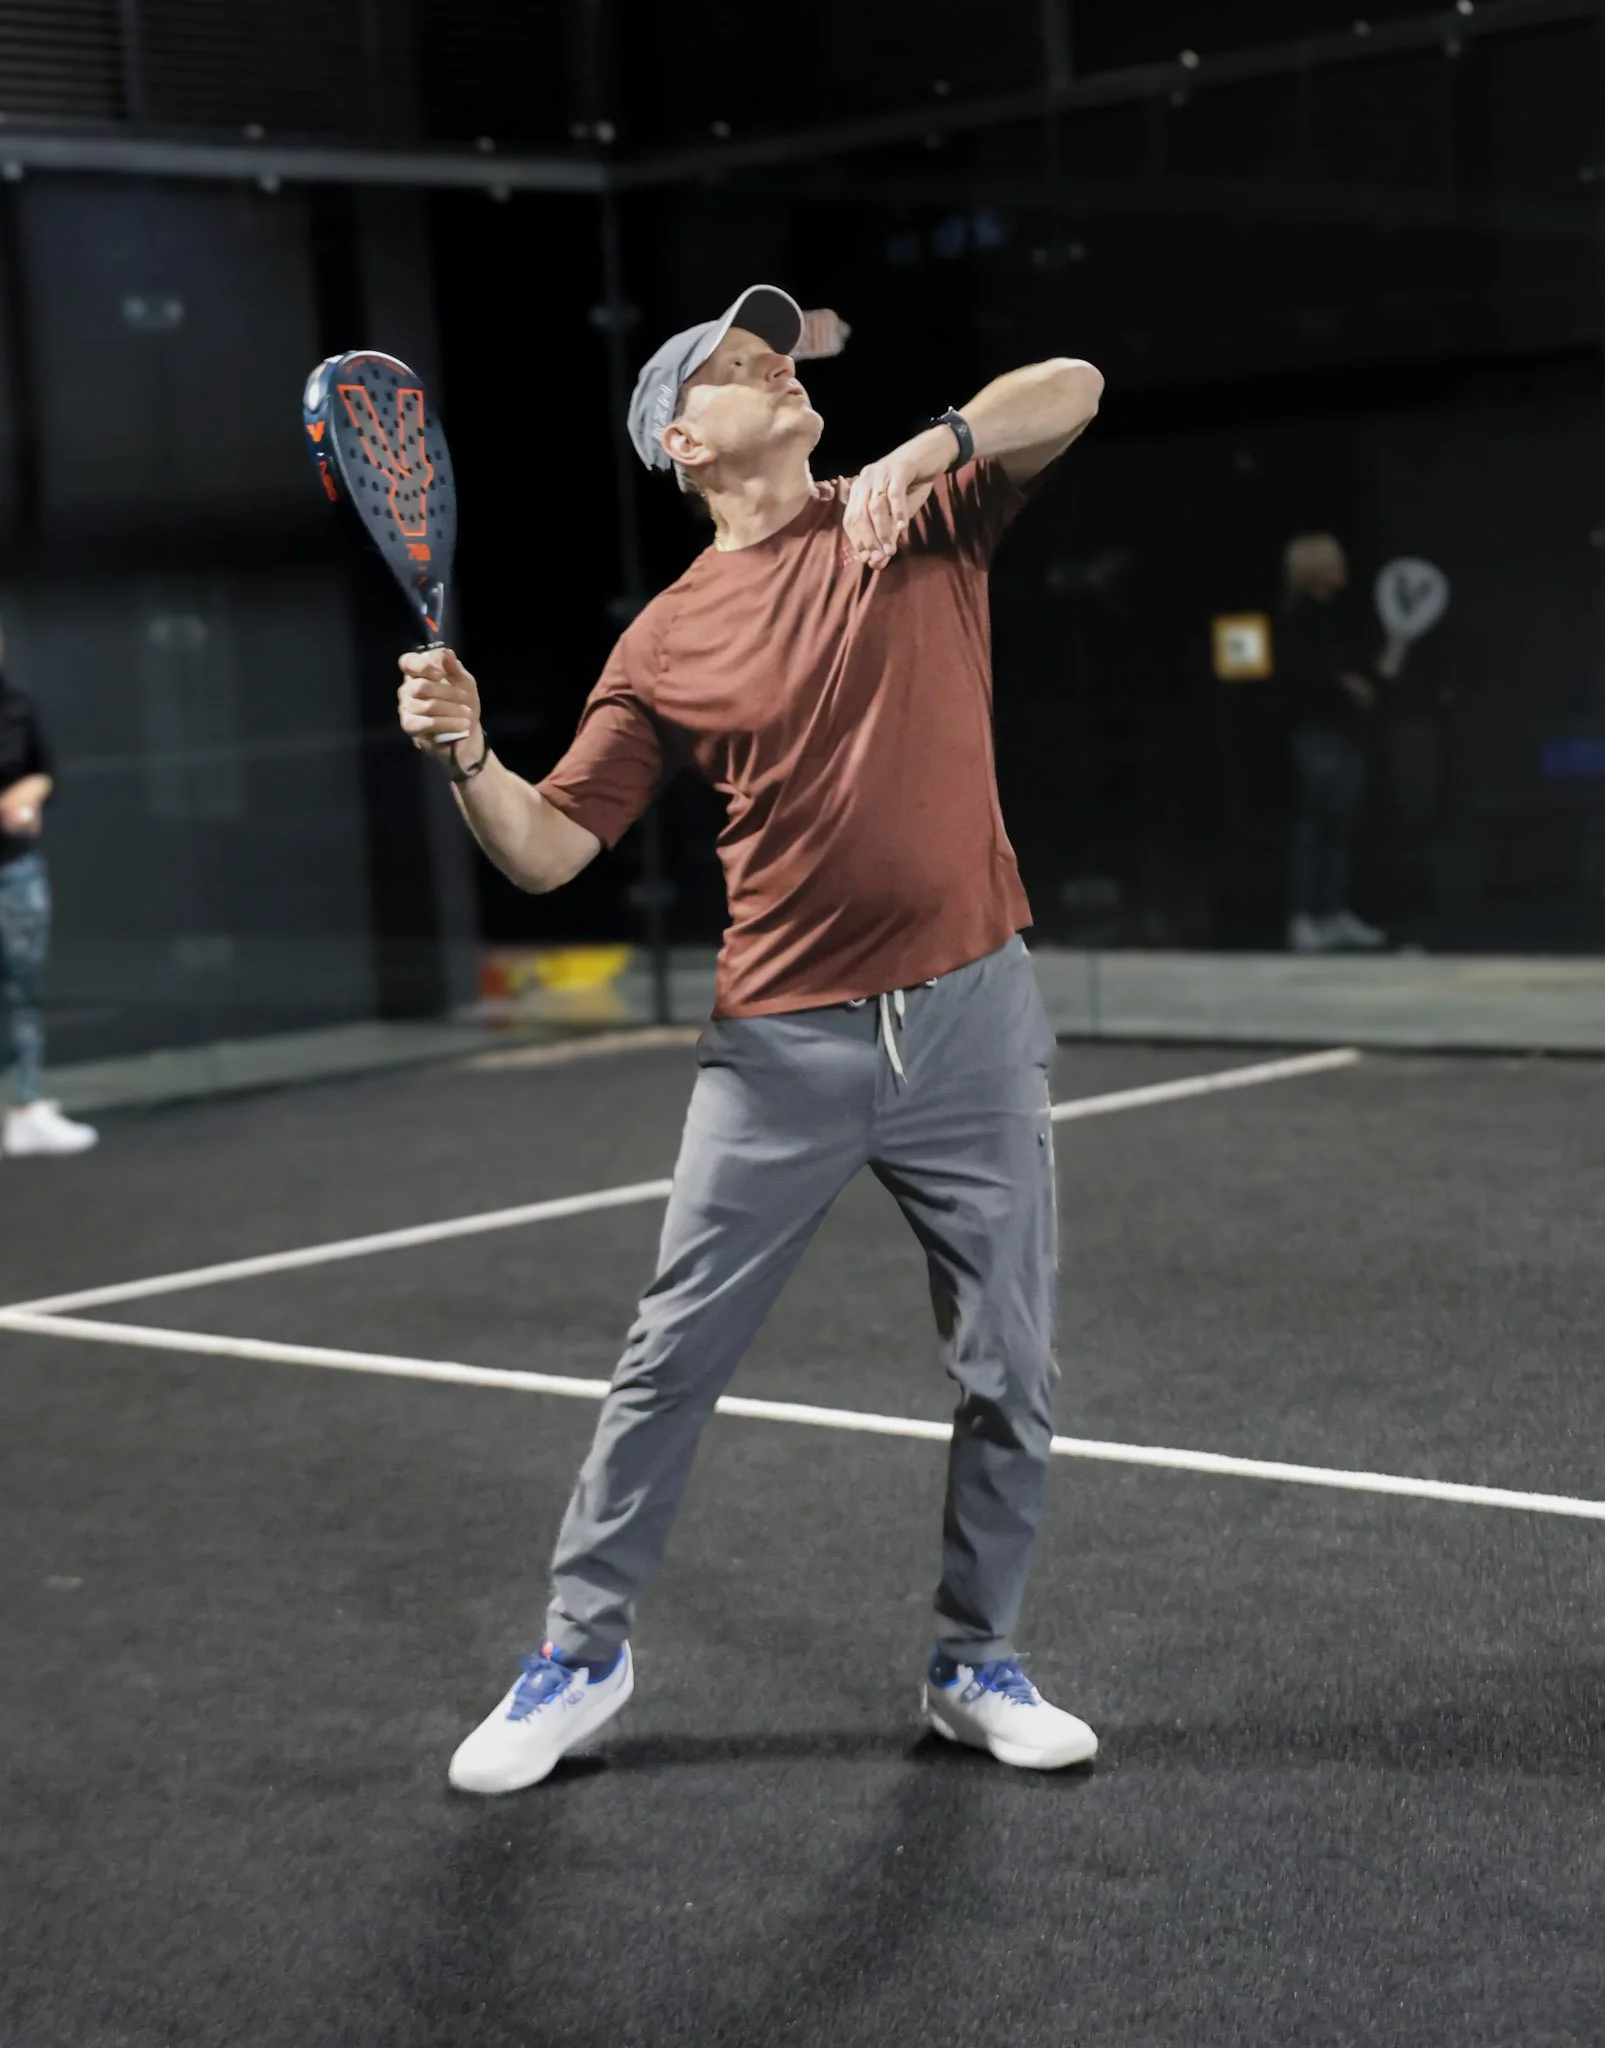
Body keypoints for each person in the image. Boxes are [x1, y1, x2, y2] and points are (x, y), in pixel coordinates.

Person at [397, 285, 1105, 1793]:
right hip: (782, 1048)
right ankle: (579, 1656)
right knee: (668, 1362)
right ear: (679, 439)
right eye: (728, 364)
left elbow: (1075, 382)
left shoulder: (916, 515)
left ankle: (975, 1663)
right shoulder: (663, 641)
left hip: (974, 1020)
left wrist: (930, 451)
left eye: (772, 350)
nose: (768, 364)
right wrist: (468, 756)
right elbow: (546, 849)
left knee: (1013, 1369)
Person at [1278, 533, 1406, 954]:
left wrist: (1380, 669)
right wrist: (1344, 684)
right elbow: (1304, 676)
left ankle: (1333, 915)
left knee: (1339, 830)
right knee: (1314, 828)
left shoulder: (1336, 617)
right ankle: (1303, 919)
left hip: (1347, 734)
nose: (1343, 565)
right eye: (1334, 559)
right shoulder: (1296, 618)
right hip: (1317, 736)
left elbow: (1361, 678)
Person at [0, 643, 97, 1157]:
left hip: (15, 868)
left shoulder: (16, 704)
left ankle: (27, 1106)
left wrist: (29, 793)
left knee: (23, 990)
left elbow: (47, 771)